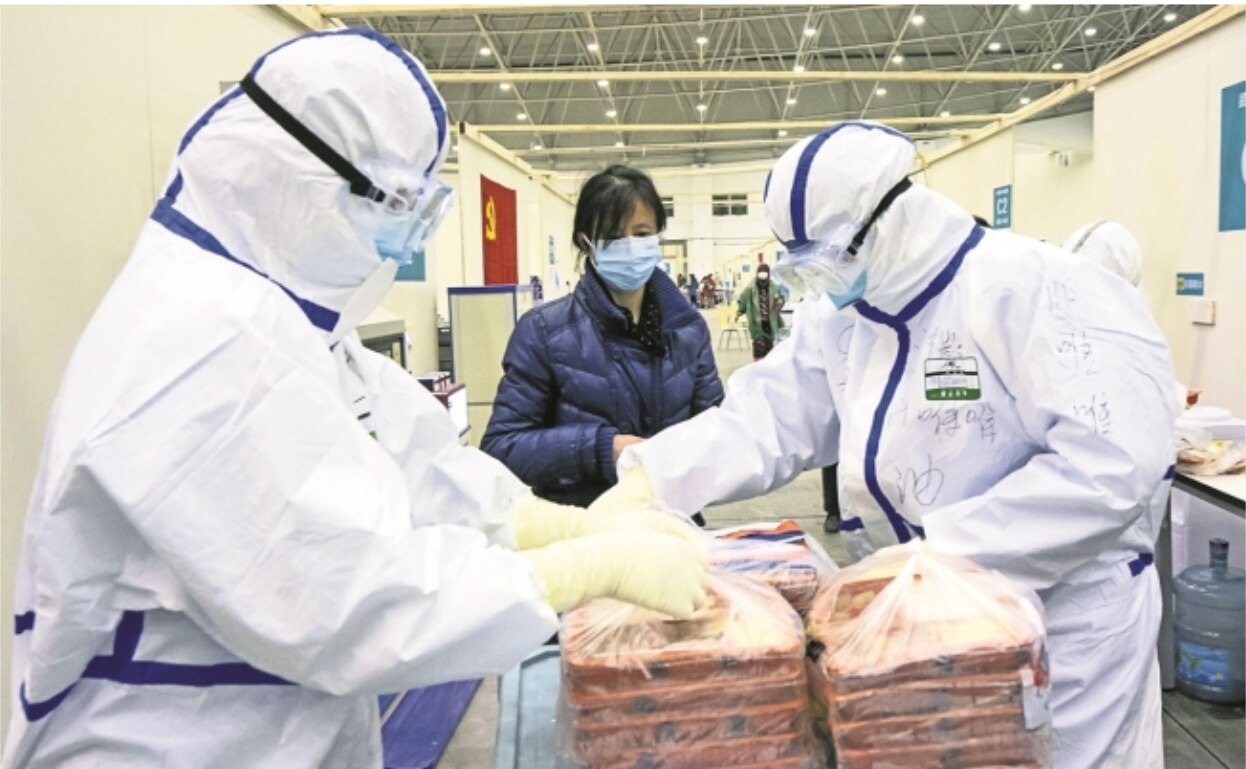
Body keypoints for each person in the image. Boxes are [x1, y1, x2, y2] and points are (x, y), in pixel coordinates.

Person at [4, 30, 708, 769]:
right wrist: (582, 569)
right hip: (175, 744)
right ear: (303, 180)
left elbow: (425, 470)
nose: (403, 239)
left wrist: (562, 525)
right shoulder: (197, 338)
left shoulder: (298, 327)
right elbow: (349, 602)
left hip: (285, 727)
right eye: (397, 203)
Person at [594, 121, 1177, 769]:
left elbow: (1113, 466)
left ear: (894, 213)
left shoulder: (1029, 286)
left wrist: (938, 555)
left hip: (1063, 620)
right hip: (925, 618)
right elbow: (768, 416)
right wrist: (651, 476)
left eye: (832, 256)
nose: (825, 280)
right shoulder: (848, 310)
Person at [482, 165, 723, 524]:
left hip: (674, 531)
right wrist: (599, 449)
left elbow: (717, 433)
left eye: (641, 233)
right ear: (586, 242)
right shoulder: (544, 332)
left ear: (658, 236)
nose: (630, 246)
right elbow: (502, 448)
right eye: (613, 236)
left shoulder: (688, 330)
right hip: (581, 536)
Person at [1064, 219, 1198, 408]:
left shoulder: (1057, 302)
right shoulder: (1114, 317)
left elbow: (1132, 369)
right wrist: (1176, 396)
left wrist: (1178, 394)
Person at [735, 263, 785, 361]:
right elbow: (743, 299)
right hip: (756, 322)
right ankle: (757, 367)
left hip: (770, 322)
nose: (763, 274)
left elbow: (780, 299)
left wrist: (779, 302)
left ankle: (767, 369)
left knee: (769, 348)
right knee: (759, 345)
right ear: (757, 273)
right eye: (761, 272)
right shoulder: (750, 288)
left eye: (765, 272)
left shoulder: (773, 286)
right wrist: (740, 310)